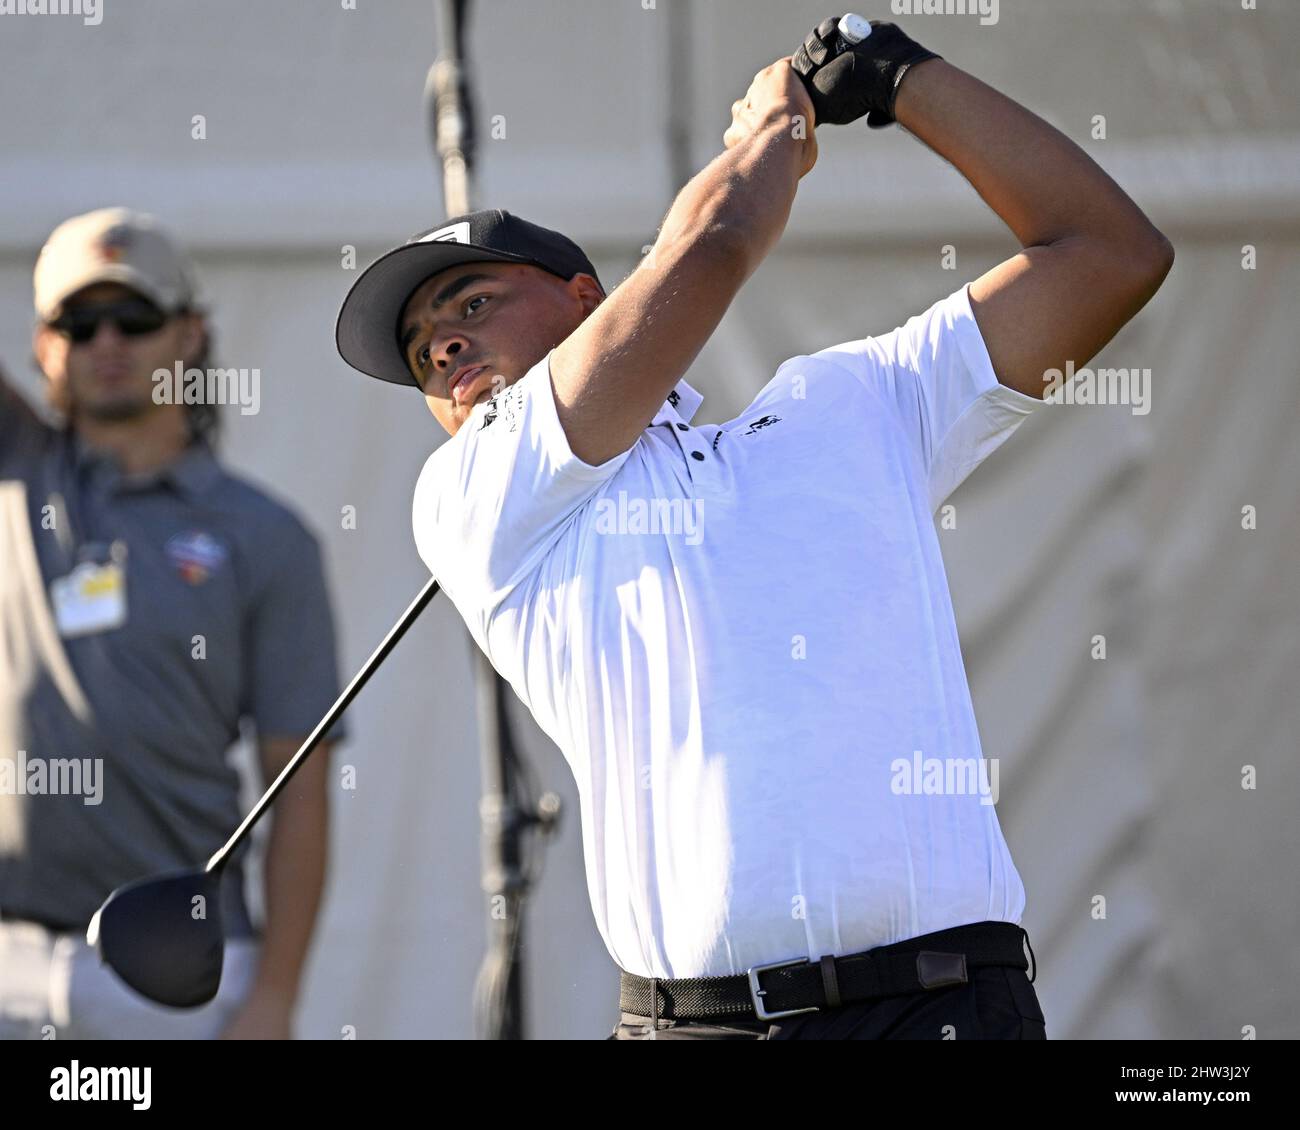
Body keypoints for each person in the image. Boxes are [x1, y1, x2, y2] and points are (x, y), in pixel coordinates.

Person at [334, 19, 1172, 1039]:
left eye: (469, 300)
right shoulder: (470, 489)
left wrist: (904, 78)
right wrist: (782, 124)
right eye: (423, 354)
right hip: (707, 1027)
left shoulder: (851, 401)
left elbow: (1110, 253)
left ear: (586, 301)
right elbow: (717, 243)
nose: (444, 343)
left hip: (951, 1011)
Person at [0, 207, 346, 1039]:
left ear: (189, 335)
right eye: (79, 324)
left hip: (177, 972)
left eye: (137, 316)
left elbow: (297, 786)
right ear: (45, 347)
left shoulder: (266, 536)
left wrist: (274, 999)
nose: (108, 342)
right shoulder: (16, 469)